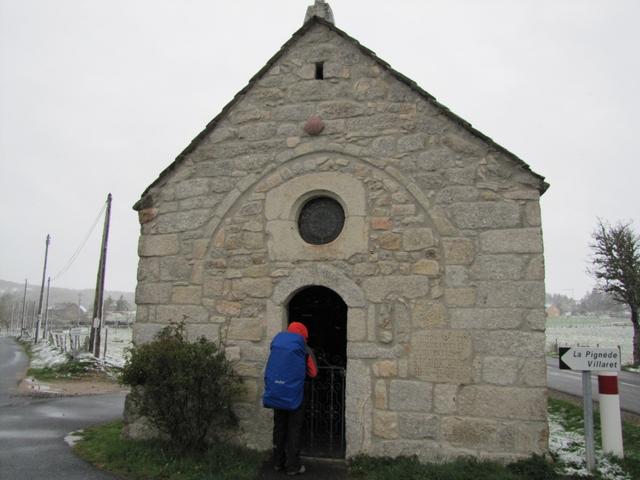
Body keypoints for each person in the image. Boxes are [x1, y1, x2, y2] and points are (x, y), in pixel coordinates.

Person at [264, 322, 317, 476]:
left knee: (279, 427)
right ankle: (293, 466)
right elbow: (313, 373)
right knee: (294, 429)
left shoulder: (278, 346)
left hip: (277, 393)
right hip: (296, 396)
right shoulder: (304, 348)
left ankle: (278, 463)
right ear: (304, 335)